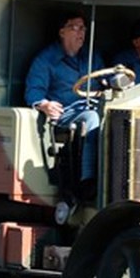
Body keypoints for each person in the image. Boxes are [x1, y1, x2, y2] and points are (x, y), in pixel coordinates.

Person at [24, 12, 101, 190]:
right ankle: (88, 180)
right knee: (91, 118)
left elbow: (103, 82)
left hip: (95, 105)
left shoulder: (92, 57)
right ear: (62, 32)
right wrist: (44, 105)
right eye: (75, 28)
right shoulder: (46, 60)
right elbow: (34, 92)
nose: (80, 33)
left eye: (83, 28)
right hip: (67, 113)